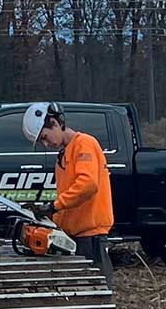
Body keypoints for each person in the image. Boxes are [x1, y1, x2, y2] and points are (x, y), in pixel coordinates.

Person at [21, 102, 113, 267]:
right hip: (74, 236)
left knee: (94, 290)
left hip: (90, 236)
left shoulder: (84, 144)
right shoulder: (63, 156)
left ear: (55, 123)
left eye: (45, 137)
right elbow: (69, 195)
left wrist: (53, 206)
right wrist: (47, 215)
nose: (47, 145)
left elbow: (87, 185)